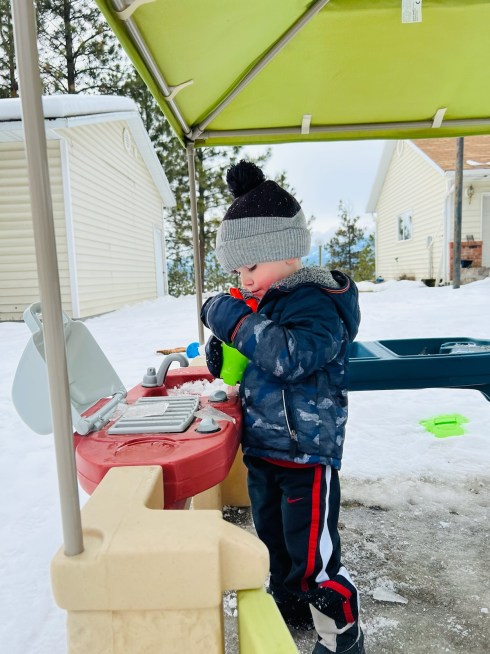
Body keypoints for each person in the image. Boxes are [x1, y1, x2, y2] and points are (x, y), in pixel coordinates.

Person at [200, 160, 364, 654]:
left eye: (251, 267)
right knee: (272, 542)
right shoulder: (266, 304)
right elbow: (256, 359)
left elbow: (290, 357)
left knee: (313, 557)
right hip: (266, 450)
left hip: (307, 456)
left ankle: (342, 634)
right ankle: (291, 608)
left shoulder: (317, 302)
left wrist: (234, 321)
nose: (244, 278)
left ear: (288, 253)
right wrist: (224, 350)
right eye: (238, 270)